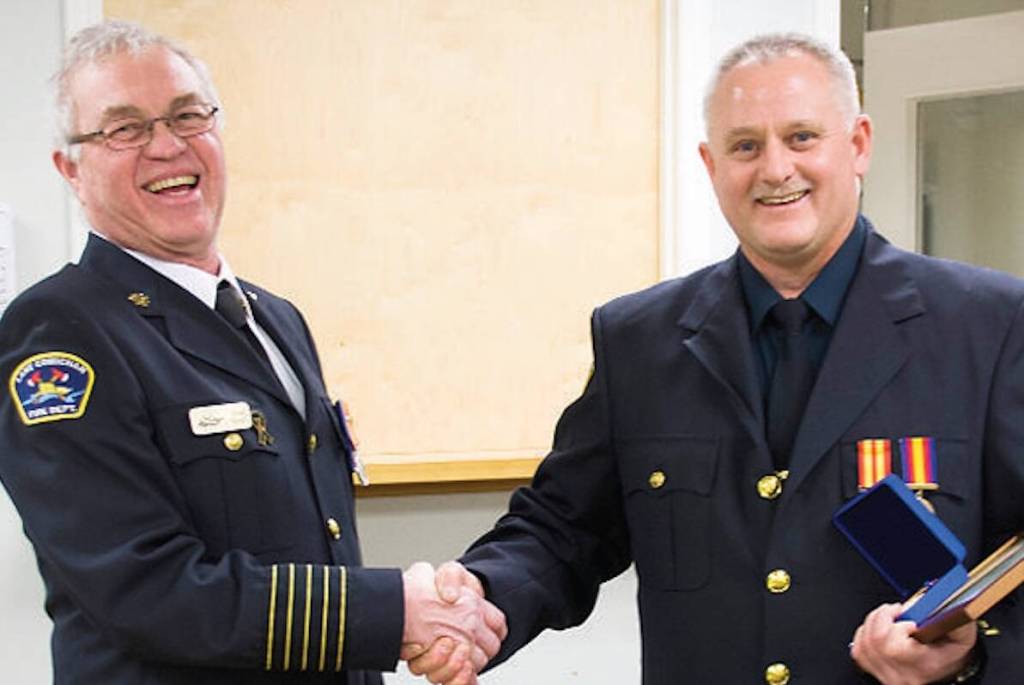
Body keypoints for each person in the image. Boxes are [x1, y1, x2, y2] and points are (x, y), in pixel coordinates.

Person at [409, 33, 1024, 684]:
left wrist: (973, 653)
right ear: (710, 163)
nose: (776, 169)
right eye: (745, 146)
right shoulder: (639, 341)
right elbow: (564, 529)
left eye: (802, 137)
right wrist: (479, 597)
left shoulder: (987, 326)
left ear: (859, 144)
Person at [0, 20, 504, 685]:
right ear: (72, 169)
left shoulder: (275, 318)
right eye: (124, 129)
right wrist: (395, 611)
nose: (166, 146)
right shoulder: (59, 332)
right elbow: (144, 586)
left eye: (188, 115)